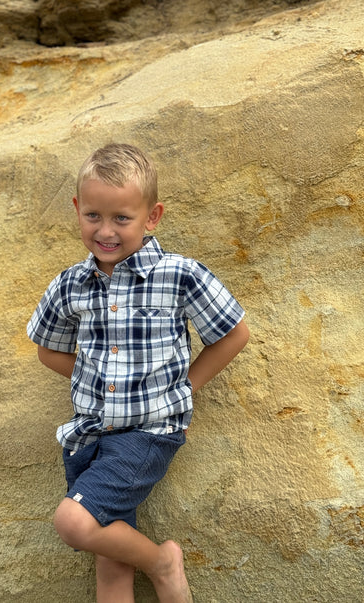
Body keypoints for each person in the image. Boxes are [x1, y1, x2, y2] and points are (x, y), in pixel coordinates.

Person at [27, 143, 249, 602]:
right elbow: (47, 349)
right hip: (89, 434)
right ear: (77, 209)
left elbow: (233, 333)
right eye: (93, 215)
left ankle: (162, 562)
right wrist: (92, 370)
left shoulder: (179, 275)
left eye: (121, 218)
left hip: (147, 432)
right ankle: (153, 566)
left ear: (152, 217)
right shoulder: (71, 284)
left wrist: (186, 384)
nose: (105, 230)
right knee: (110, 564)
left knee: (74, 522)